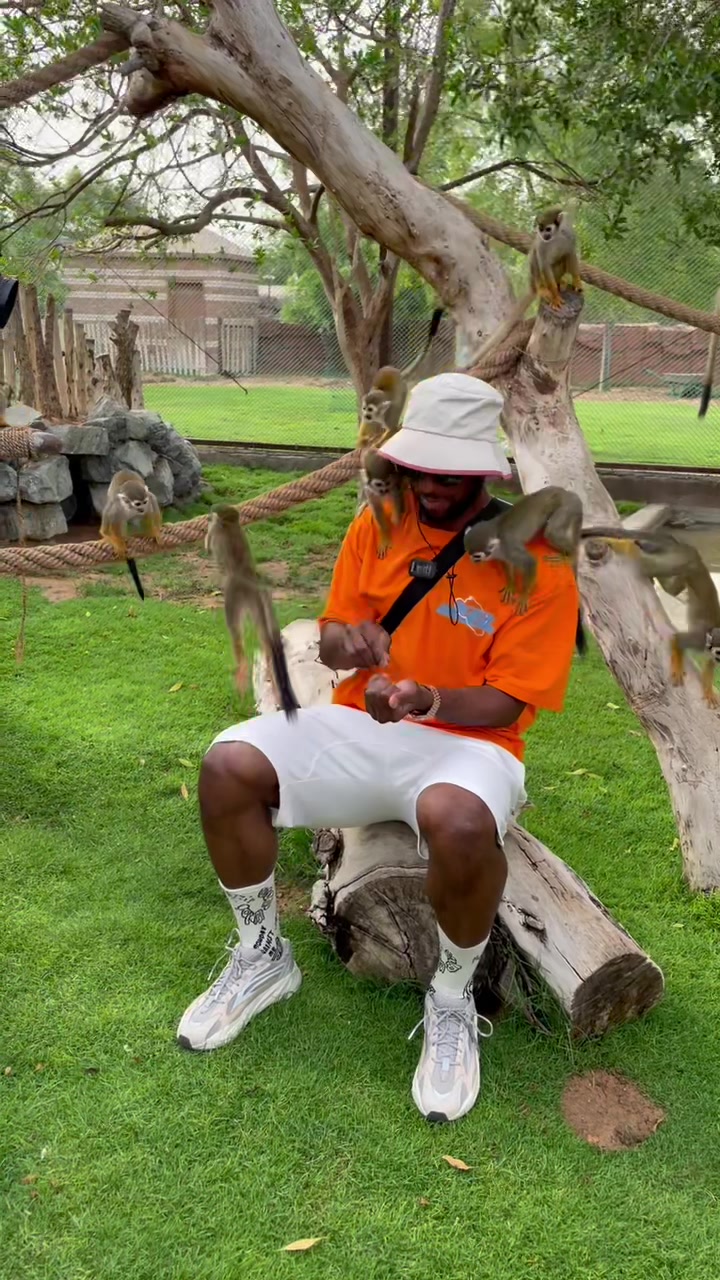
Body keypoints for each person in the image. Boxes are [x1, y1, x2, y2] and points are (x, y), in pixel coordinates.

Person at [178, 372, 579, 1125]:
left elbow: (508, 700)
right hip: (363, 723)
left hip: (472, 743)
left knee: (460, 821)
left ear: (485, 474)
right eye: (416, 467)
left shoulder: (539, 559)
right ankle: (262, 956)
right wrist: (350, 642)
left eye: (446, 474)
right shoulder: (378, 525)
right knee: (228, 764)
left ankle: (452, 999)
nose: (427, 485)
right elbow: (332, 638)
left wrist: (429, 699)